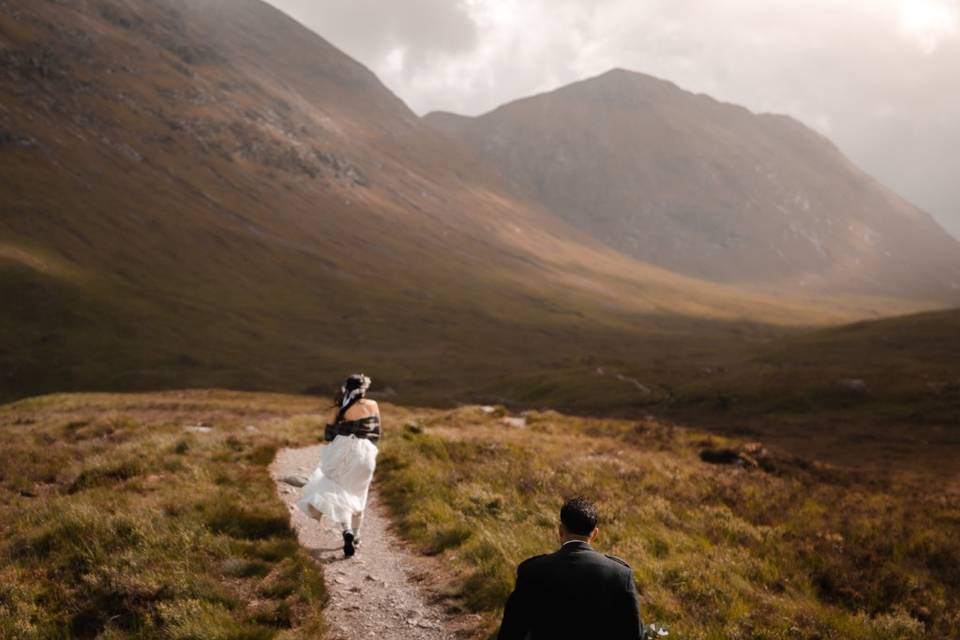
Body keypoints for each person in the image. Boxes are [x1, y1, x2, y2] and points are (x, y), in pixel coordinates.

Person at [497, 497, 644, 639]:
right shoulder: (620, 574)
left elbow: (511, 632)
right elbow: (634, 634)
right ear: (595, 534)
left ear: (561, 531)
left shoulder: (532, 571)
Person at [297, 373, 381, 558]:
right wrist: (371, 452)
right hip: (365, 452)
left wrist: (341, 427)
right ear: (364, 389)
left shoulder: (338, 410)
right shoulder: (373, 405)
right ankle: (357, 536)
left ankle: (347, 531)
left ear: (346, 388)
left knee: (338, 491)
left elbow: (328, 436)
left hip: (341, 453)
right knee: (359, 493)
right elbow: (376, 432)